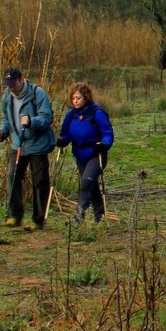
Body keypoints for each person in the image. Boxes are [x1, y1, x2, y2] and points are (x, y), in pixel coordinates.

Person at [0, 67, 55, 230]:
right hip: (17, 144)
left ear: (22, 79)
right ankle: (14, 215)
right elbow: (7, 120)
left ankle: (38, 220)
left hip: (37, 144)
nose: (11, 88)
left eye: (13, 84)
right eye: (8, 85)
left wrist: (31, 121)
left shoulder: (37, 93)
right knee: (12, 177)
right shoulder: (7, 97)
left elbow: (47, 117)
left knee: (39, 181)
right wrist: (2, 132)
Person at [57, 82, 114, 225]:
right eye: (73, 98)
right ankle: (100, 218)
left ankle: (78, 217)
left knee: (86, 182)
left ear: (86, 98)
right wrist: (62, 141)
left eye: (78, 98)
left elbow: (107, 133)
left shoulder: (96, 113)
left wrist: (105, 143)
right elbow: (65, 134)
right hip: (79, 155)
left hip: (96, 154)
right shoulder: (71, 115)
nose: (75, 101)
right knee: (92, 186)